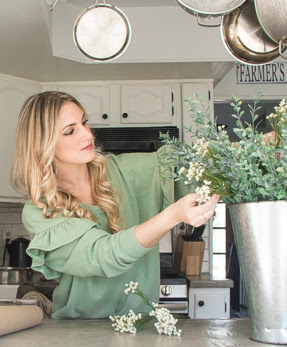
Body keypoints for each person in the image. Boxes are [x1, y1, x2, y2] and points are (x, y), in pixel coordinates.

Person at [12, 91, 220, 319]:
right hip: (79, 334)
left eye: (84, 122)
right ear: (43, 145)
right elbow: (103, 256)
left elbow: (188, 173)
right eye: (70, 131)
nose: (87, 135)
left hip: (141, 327)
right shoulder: (40, 211)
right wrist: (172, 216)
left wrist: (247, 154)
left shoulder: (125, 171)